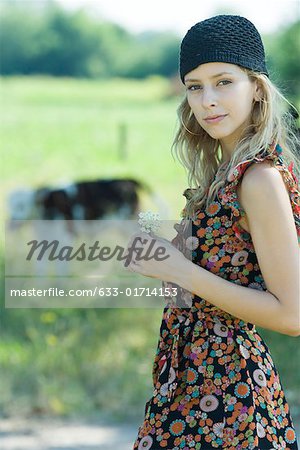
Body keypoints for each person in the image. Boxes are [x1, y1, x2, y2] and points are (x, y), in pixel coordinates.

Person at [129, 15, 300, 450]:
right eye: (194, 86)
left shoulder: (258, 178)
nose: (207, 100)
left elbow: (292, 315)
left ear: (256, 87)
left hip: (231, 405)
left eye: (224, 81)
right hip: (189, 387)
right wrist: (169, 261)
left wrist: (183, 272)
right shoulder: (222, 173)